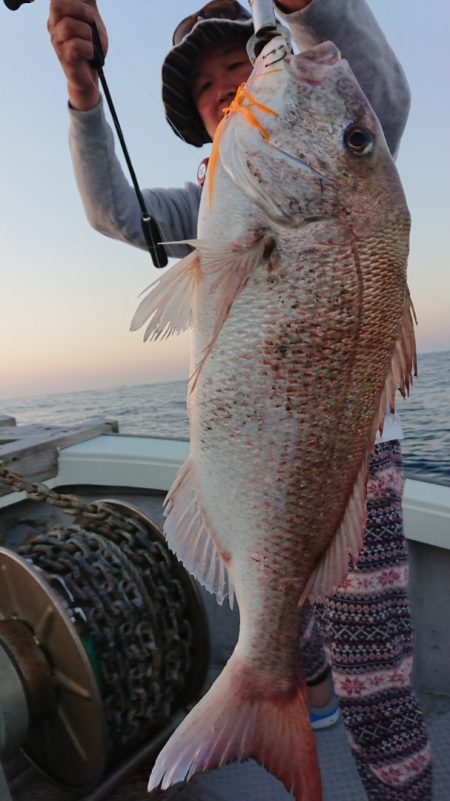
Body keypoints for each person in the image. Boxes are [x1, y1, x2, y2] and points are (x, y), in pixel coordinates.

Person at [47, 2, 432, 799]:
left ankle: (382, 764)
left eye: (243, 66)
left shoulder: (337, 158)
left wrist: (300, 14)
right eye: (208, 85)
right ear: (194, 117)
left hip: (349, 466)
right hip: (264, 466)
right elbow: (115, 213)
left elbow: (374, 93)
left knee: (382, 694)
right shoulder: (217, 200)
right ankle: (298, 693)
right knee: (292, 614)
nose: (228, 88)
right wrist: (85, 95)